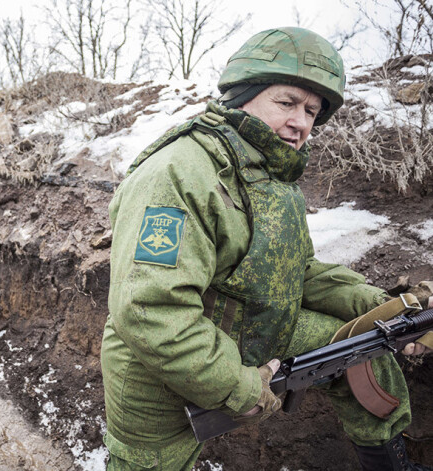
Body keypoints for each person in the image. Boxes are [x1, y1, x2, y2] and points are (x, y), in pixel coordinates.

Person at [100, 26, 432, 471]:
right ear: (243, 95)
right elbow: (151, 310)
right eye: (287, 102)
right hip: (157, 376)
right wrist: (236, 386)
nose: (301, 122)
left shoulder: (274, 179)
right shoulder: (179, 172)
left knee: (370, 357)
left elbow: (299, 271)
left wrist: (386, 308)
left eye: (313, 111)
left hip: (250, 330)